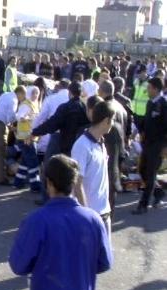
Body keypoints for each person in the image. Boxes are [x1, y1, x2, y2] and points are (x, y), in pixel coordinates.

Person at [9, 154, 112, 290]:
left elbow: (18, 265)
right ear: (74, 183)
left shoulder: (36, 221)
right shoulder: (93, 219)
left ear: (49, 183)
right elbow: (104, 262)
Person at [72, 101, 115, 235]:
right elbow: (77, 183)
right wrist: (86, 214)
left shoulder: (101, 143)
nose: (113, 124)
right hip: (90, 216)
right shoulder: (82, 146)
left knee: (106, 255)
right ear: (106, 120)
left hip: (104, 212)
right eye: (112, 120)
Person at [32, 79, 71, 204]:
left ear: (58, 86)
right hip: (70, 137)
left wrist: (33, 131)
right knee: (66, 168)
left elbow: (41, 118)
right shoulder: (77, 100)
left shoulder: (51, 99)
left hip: (54, 136)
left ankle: (46, 198)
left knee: (49, 167)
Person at [132, 77, 167, 214]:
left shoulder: (164, 105)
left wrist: (165, 147)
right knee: (142, 170)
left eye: (149, 88)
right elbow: (146, 121)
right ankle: (158, 192)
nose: (147, 90)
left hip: (158, 144)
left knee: (151, 173)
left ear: (156, 89)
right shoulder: (150, 103)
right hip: (147, 142)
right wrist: (138, 131)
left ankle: (143, 205)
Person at [32, 81, 89, 156]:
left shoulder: (65, 107)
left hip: (65, 146)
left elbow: (51, 124)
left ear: (69, 92)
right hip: (79, 147)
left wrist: (35, 132)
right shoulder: (85, 108)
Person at [98, 80, 127, 218]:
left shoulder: (104, 108)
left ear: (101, 92)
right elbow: (126, 129)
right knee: (113, 186)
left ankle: (105, 216)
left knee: (106, 185)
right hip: (119, 149)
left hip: (108, 149)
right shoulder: (121, 106)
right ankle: (110, 214)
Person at [0, 86, 26, 185]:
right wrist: (20, 118)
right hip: (0, 126)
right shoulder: (14, 100)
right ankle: (2, 178)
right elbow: (10, 117)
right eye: (24, 96)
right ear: (20, 93)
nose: (23, 99)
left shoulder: (5, 95)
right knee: (1, 152)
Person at [14, 86, 41, 192]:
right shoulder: (26, 105)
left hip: (30, 137)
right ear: (29, 94)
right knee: (33, 161)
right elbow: (19, 116)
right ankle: (35, 185)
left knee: (26, 161)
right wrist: (25, 118)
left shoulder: (34, 105)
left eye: (37, 93)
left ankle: (18, 182)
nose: (36, 95)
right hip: (26, 138)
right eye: (33, 93)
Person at [131, 65, 149, 134]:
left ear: (145, 72)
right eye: (137, 73)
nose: (138, 74)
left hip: (145, 113)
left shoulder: (150, 82)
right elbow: (132, 95)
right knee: (134, 132)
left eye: (140, 72)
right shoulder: (136, 81)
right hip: (135, 111)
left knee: (142, 133)